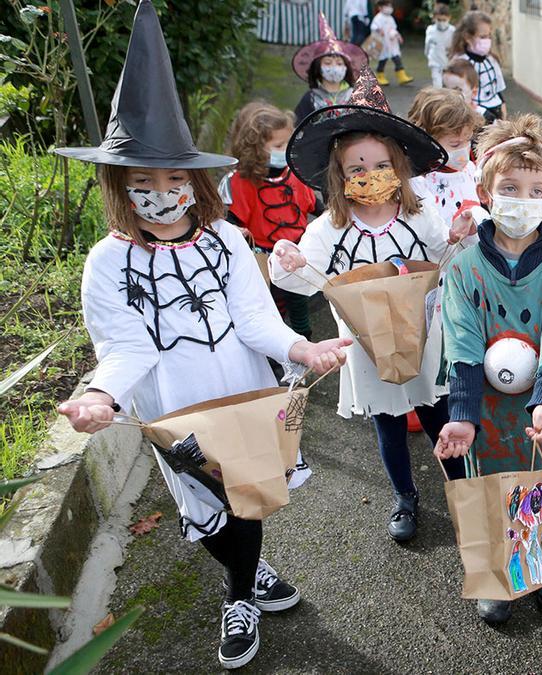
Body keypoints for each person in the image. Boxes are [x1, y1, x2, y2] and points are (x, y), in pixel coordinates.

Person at [53, 2, 349, 668]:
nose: (161, 193)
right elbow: (124, 344)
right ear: (121, 187)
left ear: (194, 182)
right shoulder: (108, 261)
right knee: (209, 506)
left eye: (174, 178)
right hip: (174, 405)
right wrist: (102, 396)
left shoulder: (221, 238)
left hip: (242, 387)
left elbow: (254, 316)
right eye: (144, 182)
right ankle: (246, 576)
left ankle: (240, 591)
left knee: (247, 496)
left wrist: (302, 349)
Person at [269, 67, 468, 545]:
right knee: (389, 423)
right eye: (356, 169)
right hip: (366, 346)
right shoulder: (329, 231)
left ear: (399, 168)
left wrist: (459, 240)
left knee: (441, 410)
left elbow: (446, 262)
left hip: (425, 336)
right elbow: (297, 282)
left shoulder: (421, 217)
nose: (370, 177)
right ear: (339, 177)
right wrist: (285, 258)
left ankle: (464, 490)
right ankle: (405, 496)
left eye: (380, 166)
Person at [435, 114, 542, 624]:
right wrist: (460, 412)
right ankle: (500, 574)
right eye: (509, 187)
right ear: (485, 190)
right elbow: (461, 339)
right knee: (490, 475)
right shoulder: (464, 267)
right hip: (485, 400)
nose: (521, 198)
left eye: (534, 188)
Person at [220, 102, 320, 339]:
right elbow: (231, 218)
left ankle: (303, 337)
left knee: (298, 297)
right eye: (278, 146)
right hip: (262, 255)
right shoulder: (240, 182)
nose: (285, 149)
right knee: (271, 302)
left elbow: (314, 205)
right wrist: (233, 229)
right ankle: (276, 344)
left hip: (296, 250)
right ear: (255, 149)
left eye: (288, 143)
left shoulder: (293, 172)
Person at [406, 87, 487, 242]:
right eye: (455, 144)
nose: (464, 149)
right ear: (425, 141)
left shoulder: (472, 169)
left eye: (468, 140)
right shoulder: (418, 183)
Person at [291, 13, 367, 123]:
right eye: (328, 63)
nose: (334, 67)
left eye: (339, 63)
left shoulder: (356, 96)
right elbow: (298, 130)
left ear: (346, 68)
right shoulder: (310, 98)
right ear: (318, 68)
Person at [450, 10, 505, 122]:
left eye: (489, 36)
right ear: (467, 37)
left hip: (496, 113)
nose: (488, 40)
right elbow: (456, 97)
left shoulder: (492, 60)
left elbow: (498, 90)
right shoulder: (459, 63)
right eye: (483, 36)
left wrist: (503, 114)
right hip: (473, 116)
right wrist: (481, 113)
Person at [370, 0, 413, 86]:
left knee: (396, 58)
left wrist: (398, 36)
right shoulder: (378, 18)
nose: (389, 8)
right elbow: (373, 26)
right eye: (387, 6)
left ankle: (401, 76)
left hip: (392, 43)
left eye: (390, 6)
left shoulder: (390, 18)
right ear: (380, 8)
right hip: (383, 44)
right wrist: (379, 30)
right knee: (383, 60)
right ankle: (380, 75)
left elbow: (393, 28)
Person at [424, 3, 454, 88]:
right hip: (435, 62)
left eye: (444, 20)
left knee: (448, 85)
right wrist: (429, 57)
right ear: (434, 18)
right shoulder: (430, 30)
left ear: (449, 18)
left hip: (448, 63)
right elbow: (427, 46)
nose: (441, 22)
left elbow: (455, 48)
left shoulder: (453, 31)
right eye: (439, 20)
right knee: (437, 85)